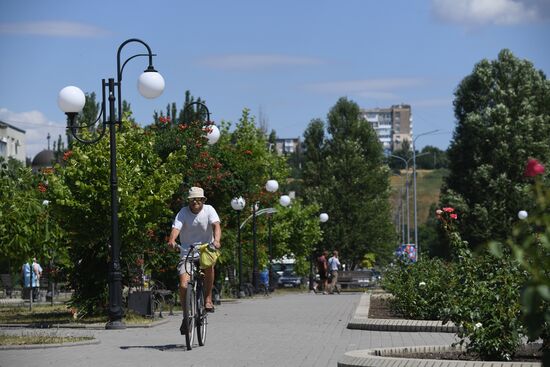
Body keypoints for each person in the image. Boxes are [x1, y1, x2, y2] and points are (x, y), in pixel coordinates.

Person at [168, 187, 221, 334]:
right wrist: (172, 241)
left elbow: (216, 225)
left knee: (209, 266)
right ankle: (186, 317)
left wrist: (216, 241)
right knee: (184, 285)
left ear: (203, 200)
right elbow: (176, 229)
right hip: (187, 252)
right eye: (192, 200)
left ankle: (208, 299)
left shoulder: (209, 210)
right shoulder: (183, 212)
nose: (195, 202)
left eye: (198, 199)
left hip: (206, 249)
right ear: (189, 201)